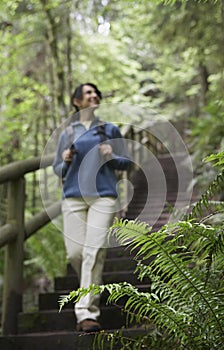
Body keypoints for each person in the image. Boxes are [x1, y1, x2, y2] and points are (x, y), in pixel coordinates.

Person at [53, 83, 131, 332]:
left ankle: (86, 312)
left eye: (96, 93)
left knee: (93, 251)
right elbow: (57, 169)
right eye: (88, 93)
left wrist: (111, 154)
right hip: (74, 197)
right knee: (76, 254)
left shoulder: (109, 129)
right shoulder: (67, 133)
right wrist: (64, 161)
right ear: (76, 101)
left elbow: (126, 162)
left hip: (103, 197)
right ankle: (90, 286)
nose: (94, 95)